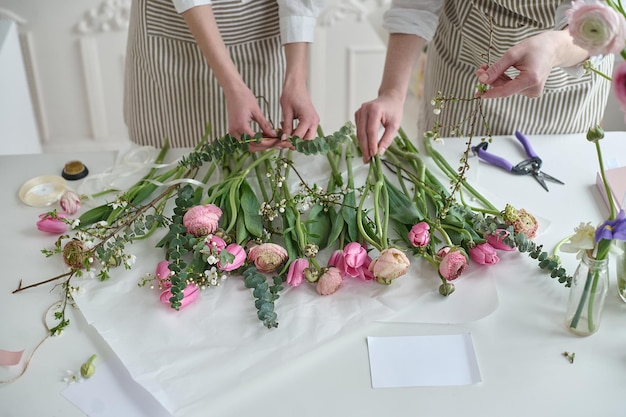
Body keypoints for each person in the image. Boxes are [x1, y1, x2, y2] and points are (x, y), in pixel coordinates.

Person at [355, 0, 614, 162]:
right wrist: (391, 92)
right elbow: (415, 6)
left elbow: (598, 20)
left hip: (564, 87)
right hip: (463, 64)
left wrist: (554, 49)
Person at [124, 0, 324, 149]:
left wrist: (296, 80)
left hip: (262, 28)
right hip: (173, 30)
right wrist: (233, 86)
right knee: (173, 171)